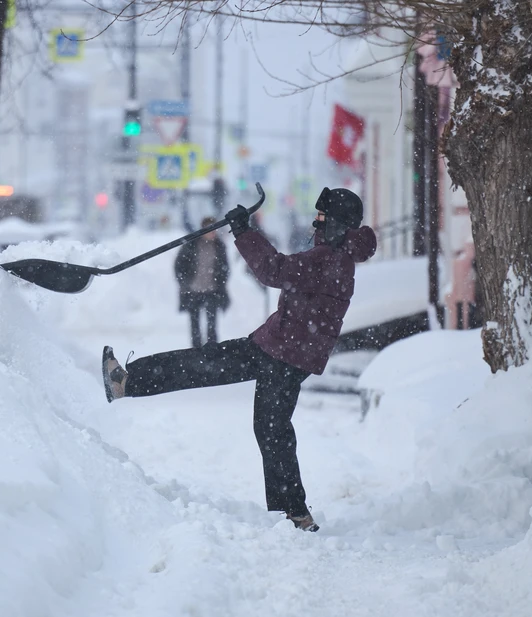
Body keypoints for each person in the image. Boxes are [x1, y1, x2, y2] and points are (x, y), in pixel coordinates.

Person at [102, 187, 377, 532]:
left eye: (321, 217)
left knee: (250, 409)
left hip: (285, 354)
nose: (315, 223)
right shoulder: (335, 257)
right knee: (266, 424)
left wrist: (244, 232)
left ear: (336, 222)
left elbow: (273, 269)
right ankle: (291, 514)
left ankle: (293, 513)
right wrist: (247, 232)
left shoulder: (329, 259)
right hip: (281, 349)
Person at [173, 216, 230, 347]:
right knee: (195, 324)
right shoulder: (191, 245)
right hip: (193, 290)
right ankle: (196, 350)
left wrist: (221, 283)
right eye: (210, 229)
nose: (212, 233)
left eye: (214, 230)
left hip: (212, 290)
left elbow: (224, 268)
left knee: (212, 324)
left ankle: (212, 349)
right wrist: (184, 282)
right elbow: (179, 265)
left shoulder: (219, 246)